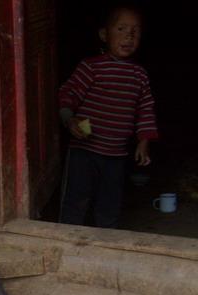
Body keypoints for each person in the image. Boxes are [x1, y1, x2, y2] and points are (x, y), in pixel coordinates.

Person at [58, 5, 158, 228]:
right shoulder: (91, 67)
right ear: (104, 35)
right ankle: (66, 239)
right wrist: (69, 118)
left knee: (110, 203)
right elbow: (68, 93)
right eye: (121, 28)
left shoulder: (139, 75)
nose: (129, 36)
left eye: (135, 31)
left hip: (117, 155)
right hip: (84, 151)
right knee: (76, 199)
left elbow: (146, 109)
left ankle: (106, 242)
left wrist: (144, 142)